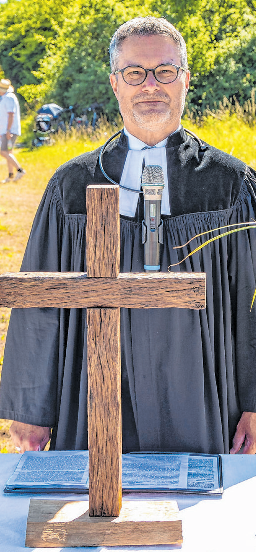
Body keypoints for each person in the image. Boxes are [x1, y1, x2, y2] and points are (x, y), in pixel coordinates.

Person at [1, 16, 256, 455]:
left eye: (165, 71)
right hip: (95, 384)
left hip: (204, 389)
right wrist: (30, 407)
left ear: (185, 79)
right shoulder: (71, 186)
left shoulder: (231, 185)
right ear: (116, 83)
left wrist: (254, 400)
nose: (150, 85)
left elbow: (253, 300)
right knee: (97, 507)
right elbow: (41, 298)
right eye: (135, 72)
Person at [0, 78, 25, 183]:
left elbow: (11, 115)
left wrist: (8, 130)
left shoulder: (9, 98)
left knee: (3, 151)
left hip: (9, 131)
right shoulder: (6, 97)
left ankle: (20, 170)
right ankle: (10, 176)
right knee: (9, 152)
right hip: (6, 131)